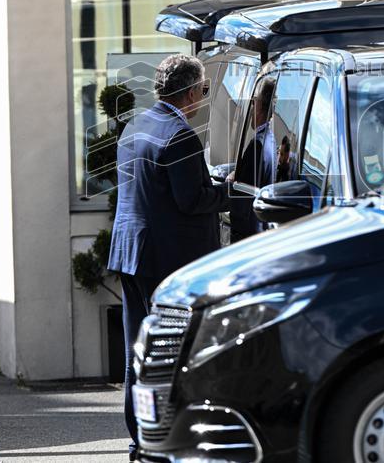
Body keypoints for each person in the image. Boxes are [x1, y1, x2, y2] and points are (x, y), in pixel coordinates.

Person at [108, 54, 231, 461]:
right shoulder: (180, 135)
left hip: (131, 252)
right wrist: (229, 190)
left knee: (136, 352)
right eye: (203, 90)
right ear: (192, 91)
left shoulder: (137, 125)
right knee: (171, 354)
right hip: (168, 258)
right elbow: (192, 199)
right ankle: (165, 440)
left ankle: (139, 439)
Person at [230, 76, 276, 242]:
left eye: (253, 102)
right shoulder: (269, 139)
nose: (250, 108)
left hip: (250, 237)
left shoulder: (257, 145)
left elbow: (243, 200)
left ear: (260, 105)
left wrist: (233, 181)